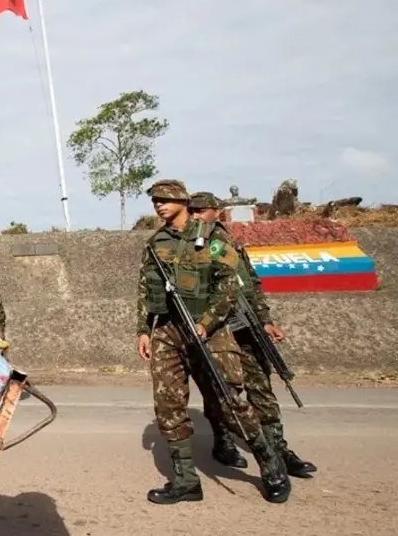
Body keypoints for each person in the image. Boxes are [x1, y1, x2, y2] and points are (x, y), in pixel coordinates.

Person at [135, 179, 290, 505]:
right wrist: (143, 330)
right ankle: (186, 481)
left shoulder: (212, 237)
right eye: (155, 201)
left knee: (228, 401)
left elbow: (229, 285)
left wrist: (206, 323)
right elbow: (145, 289)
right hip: (168, 331)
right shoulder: (156, 242)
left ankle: (271, 464)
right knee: (168, 404)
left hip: (211, 330)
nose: (159, 205)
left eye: (165, 199)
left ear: (183, 201)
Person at [188, 191, 317, 478]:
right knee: (220, 388)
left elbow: (250, 284)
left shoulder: (228, 243)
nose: (196, 216)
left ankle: (278, 449)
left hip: (246, 325)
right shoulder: (191, 244)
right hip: (216, 328)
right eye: (192, 211)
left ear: (217, 212)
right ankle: (223, 442)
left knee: (261, 388)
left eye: (201, 210)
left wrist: (265, 320)